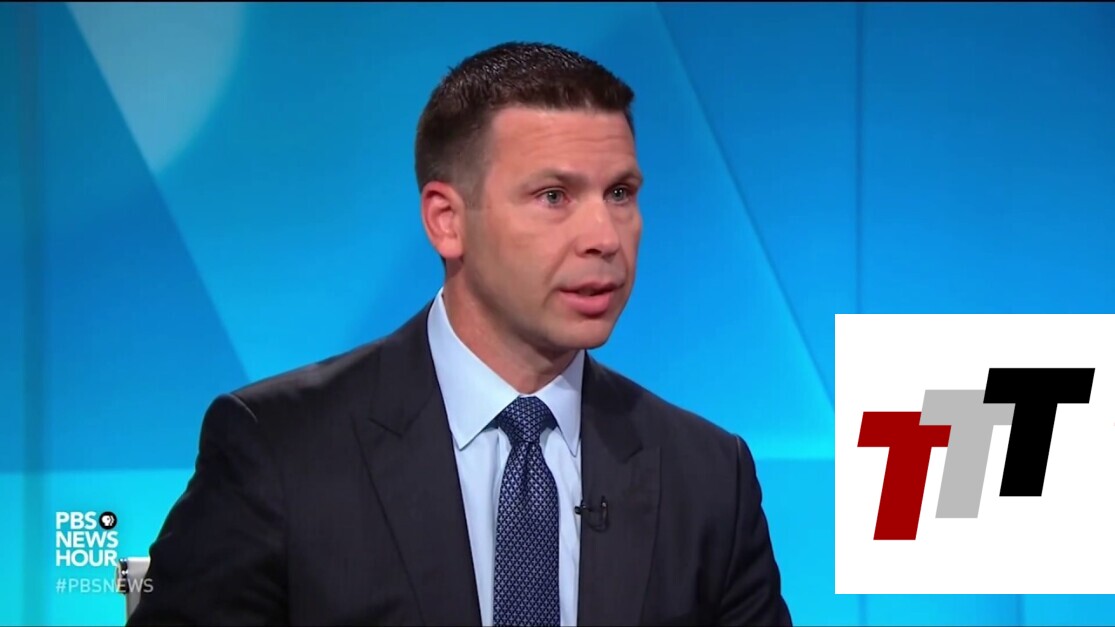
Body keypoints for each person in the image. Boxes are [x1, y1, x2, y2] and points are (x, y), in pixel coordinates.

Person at [129, 41, 791, 627]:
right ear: (447, 221)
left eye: (620, 193)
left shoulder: (709, 475)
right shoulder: (278, 448)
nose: (604, 238)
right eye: (554, 196)